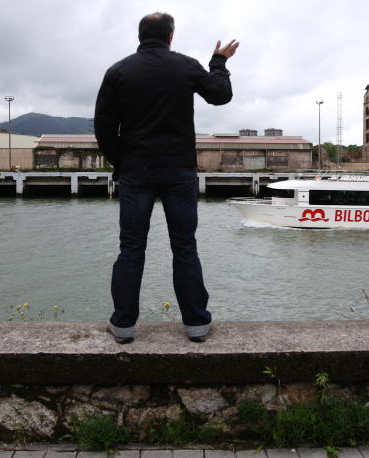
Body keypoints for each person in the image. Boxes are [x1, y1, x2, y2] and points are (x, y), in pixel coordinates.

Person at [94, 12, 238, 344]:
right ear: (170, 36)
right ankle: (197, 325)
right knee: (185, 247)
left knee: (130, 248)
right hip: (179, 172)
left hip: (136, 172)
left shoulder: (117, 72)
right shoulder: (185, 66)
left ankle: (123, 326)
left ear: (139, 36)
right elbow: (220, 94)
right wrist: (218, 61)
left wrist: (123, 161)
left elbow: (103, 126)